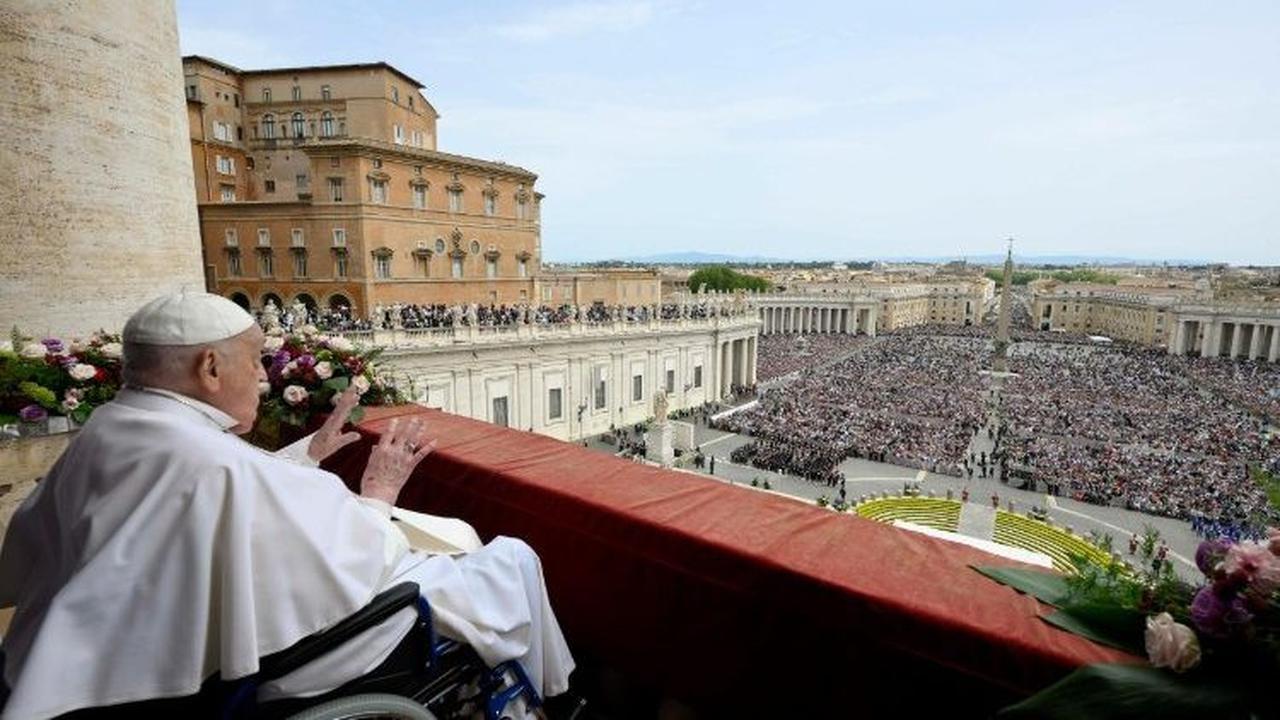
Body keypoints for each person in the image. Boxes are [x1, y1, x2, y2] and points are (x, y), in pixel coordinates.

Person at [0, 292, 574, 719]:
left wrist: (309, 452)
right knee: (511, 558)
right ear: (209, 367)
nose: (261, 378)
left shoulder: (117, 424)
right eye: (253, 363)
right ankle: (550, 697)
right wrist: (379, 492)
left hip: (96, 656)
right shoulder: (210, 458)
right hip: (293, 659)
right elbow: (351, 558)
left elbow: (222, 502)